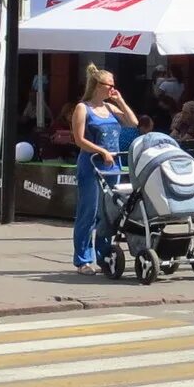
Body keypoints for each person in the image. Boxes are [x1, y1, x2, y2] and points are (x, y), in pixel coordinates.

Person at [68, 65, 137, 274]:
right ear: (98, 86)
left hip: (112, 166)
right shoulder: (83, 108)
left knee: (108, 214)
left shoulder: (110, 108)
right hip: (92, 165)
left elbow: (133, 122)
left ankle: (104, 255)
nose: (113, 89)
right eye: (110, 86)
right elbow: (79, 139)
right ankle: (83, 259)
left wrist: (120, 101)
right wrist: (101, 151)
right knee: (89, 211)